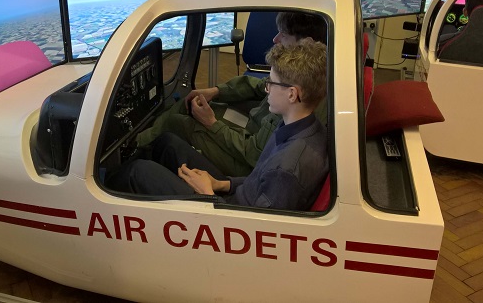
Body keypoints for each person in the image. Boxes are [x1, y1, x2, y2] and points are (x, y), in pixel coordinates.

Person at [109, 39, 328, 211]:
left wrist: (207, 193)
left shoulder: (287, 170)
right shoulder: (295, 127)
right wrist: (221, 184)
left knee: (137, 172)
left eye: (271, 82)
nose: (267, 88)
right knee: (167, 143)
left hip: (227, 212)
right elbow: (257, 178)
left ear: (292, 94)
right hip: (232, 195)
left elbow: (251, 230)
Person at [135, 12, 327, 177]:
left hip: (248, 161)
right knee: (193, 101)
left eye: (283, 35)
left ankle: (135, 152)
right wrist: (216, 91)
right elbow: (258, 85)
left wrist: (212, 124)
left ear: (306, 43)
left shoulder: (297, 95)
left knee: (177, 123)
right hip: (251, 128)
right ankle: (144, 141)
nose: (275, 39)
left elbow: (253, 154)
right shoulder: (307, 73)